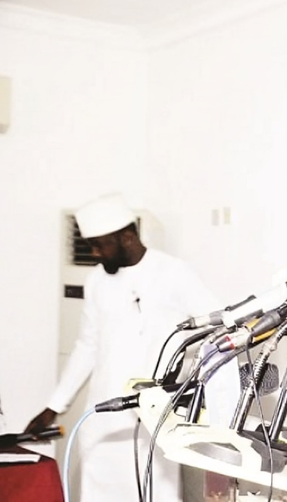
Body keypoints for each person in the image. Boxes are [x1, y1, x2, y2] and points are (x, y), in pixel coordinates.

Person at [25, 193, 220, 502]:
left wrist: (186, 380)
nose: (95, 253)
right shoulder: (96, 281)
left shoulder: (173, 273)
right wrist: (54, 406)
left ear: (127, 237)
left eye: (99, 245)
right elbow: (87, 346)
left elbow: (218, 326)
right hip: (103, 416)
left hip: (151, 416)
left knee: (154, 491)